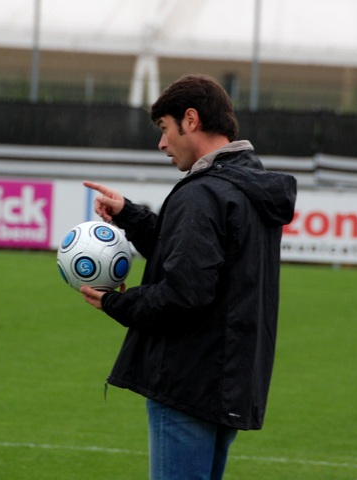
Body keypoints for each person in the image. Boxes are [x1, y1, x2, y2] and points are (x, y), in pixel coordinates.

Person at [81, 74, 297, 480]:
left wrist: (115, 302)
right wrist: (130, 214)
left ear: (191, 120)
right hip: (229, 381)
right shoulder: (249, 184)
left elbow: (184, 292)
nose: (161, 143)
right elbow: (193, 261)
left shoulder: (204, 192)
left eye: (165, 128)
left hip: (188, 381)